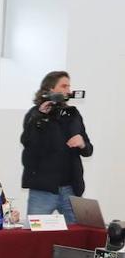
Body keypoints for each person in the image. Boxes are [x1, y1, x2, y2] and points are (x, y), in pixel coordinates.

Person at [21, 70, 93, 225]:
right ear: (51, 89)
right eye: (64, 86)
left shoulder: (73, 114)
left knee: (76, 237)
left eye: (69, 86)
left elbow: (88, 150)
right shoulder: (35, 115)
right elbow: (27, 142)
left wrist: (82, 143)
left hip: (71, 190)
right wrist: (40, 117)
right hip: (42, 190)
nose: (68, 90)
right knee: (32, 237)